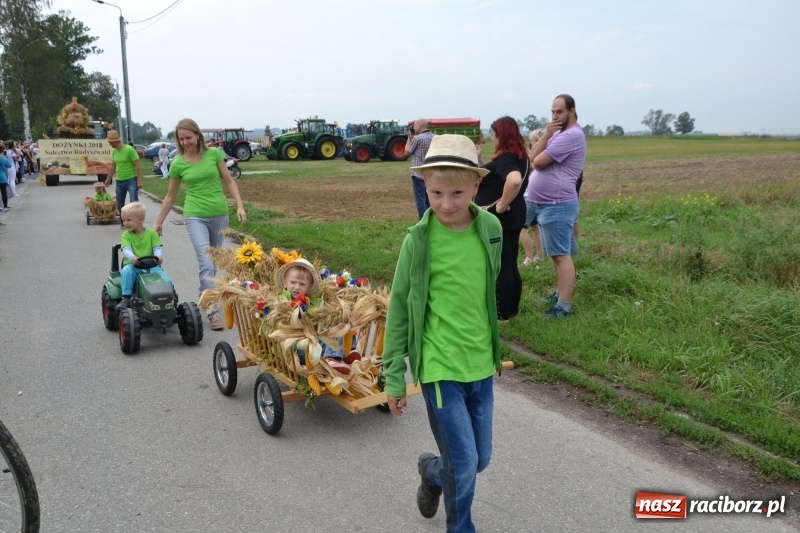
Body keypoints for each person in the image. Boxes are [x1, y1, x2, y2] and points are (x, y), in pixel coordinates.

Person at [383, 134, 503, 533]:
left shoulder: (490, 229)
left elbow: (486, 289)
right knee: (466, 463)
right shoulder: (418, 241)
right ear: (424, 186)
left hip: (481, 364)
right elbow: (399, 307)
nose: (446, 204)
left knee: (478, 459)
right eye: (436, 193)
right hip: (438, 367)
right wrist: (394, 376)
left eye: (457, 193)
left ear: (475, 186)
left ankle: (431, 472)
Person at [153, 118, 247, 331]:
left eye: (189, 137)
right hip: (194, 215)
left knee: (213, 262)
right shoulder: (177, 164)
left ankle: (204, 293)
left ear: (198, 135)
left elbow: (230, 181)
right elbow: (170, 196)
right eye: (181, 139)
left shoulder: (214, 155)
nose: (186, 142)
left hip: (219, 214)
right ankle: (212, 308)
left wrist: (240, 206)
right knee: (206, 261)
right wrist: (158, 222)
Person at [528, 94, 587, 318]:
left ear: (571, 111)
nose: (554, 116)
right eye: (552, 111)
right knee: (557, 255)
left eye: (559, 111)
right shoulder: (558, 133)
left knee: (562, 256)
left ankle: (564, 306)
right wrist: (547, 135)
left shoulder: (571, 136)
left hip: (558, 203)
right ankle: (560, 293)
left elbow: (538, 162)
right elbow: (532, 154)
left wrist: (546, 139)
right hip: (550, 203)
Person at [474, 116, 529, 320]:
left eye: (494, 134)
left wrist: (500, 205)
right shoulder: (520, 156)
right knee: (510, 262)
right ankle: (511, 308)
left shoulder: (506, 157)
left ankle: (501, 313)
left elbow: (513, 180)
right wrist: (479, 160)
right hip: (514, 215)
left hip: (503, 218)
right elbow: (495, 176)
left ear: (502, 135)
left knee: (502, 265)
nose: (492, 138)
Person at [116, 202, 173, 311]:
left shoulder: (152, 233)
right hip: (134, 266)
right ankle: (126, 298)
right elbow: (126, 249)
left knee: (167, 281)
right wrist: (132, 257)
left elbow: (157, 248)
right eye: (123, 220)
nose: (125, 223)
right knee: (126, 271)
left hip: (152, 266)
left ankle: (170, 298)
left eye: (128, 220)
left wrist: (158, 257)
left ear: (140, 219)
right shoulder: (126, 235)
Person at [104, 129, 143, 227]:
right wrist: (108, 179)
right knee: (120, 204)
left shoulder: (129, 149)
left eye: (110, 142)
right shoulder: (114, 152)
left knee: (134, 202)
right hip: (119, 181)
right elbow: (113, 166)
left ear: (115, 141)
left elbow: (138, 166)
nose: (109, 144)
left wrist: (139, 181)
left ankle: (137, 223)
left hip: (131, 180)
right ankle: (124, 222)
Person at [520, 129, 545, 266]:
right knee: (535, 227)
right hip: (536, 195)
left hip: (528, 196)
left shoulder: (538, 156)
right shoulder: (547, 153)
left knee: (521, 228)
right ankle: (539, 255)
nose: (531, 144)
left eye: (533, 142)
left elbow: (532, 165)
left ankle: (528, 258)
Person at [403, 118, 435, 219]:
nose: (414, 128)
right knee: (429, 198)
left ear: (420, 126)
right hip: (430, 173)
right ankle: (431, 219)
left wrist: (409, 138)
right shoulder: (435, 137)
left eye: (415, 126)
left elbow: (407, 152)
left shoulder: (418, 138)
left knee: (420, 200)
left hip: (418, 173)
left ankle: (422, 220)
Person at [0, 143, 11, 212]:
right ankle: (5, 206)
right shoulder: (3, 159)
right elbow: (9, 165)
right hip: (2, 177)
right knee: (3, 192)